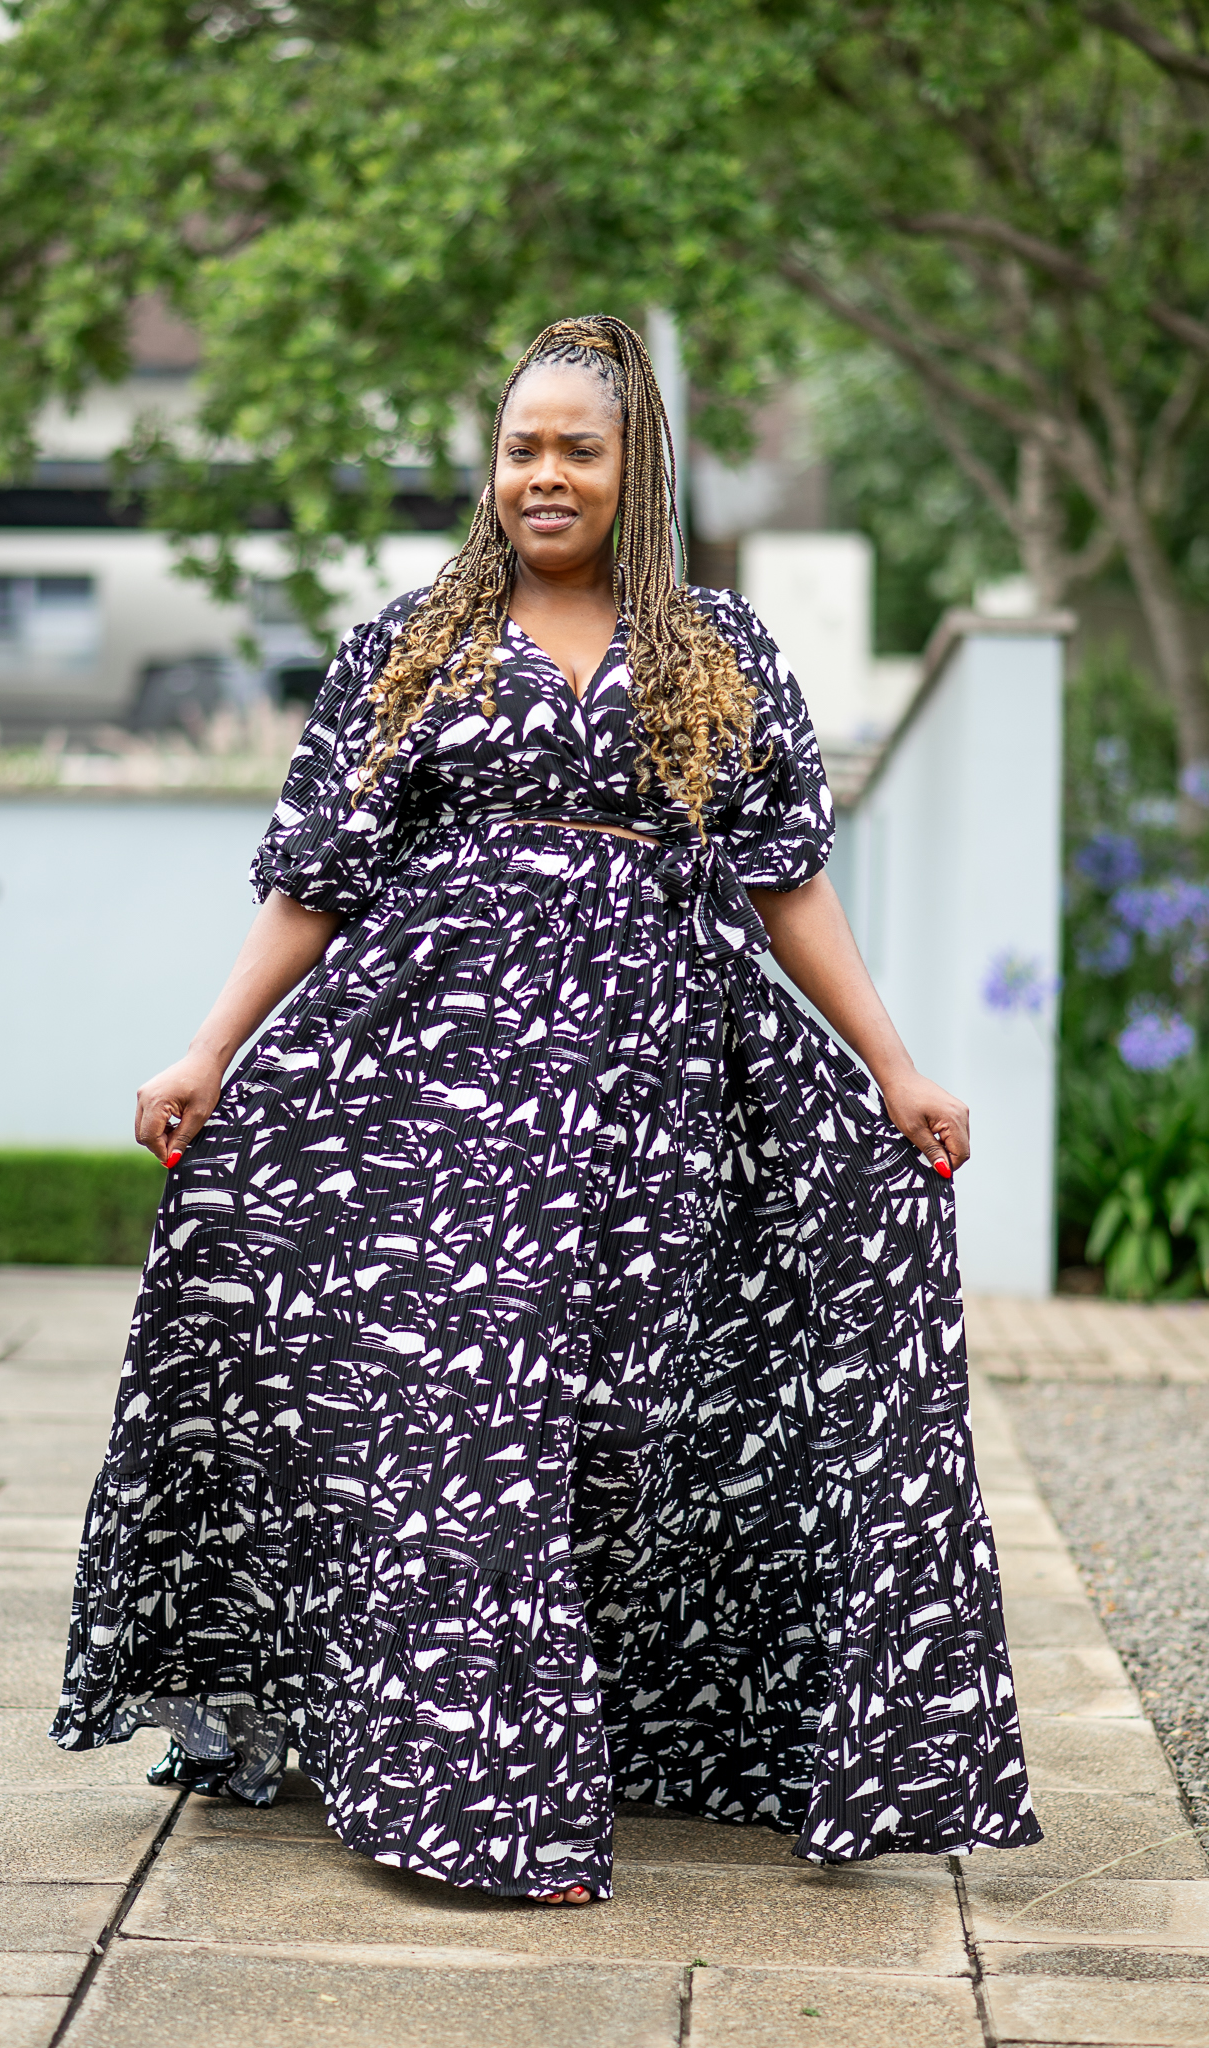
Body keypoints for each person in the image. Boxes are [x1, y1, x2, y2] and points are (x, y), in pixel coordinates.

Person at [51, 314, 1040, 1905]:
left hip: (654, 1101)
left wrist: (894, 1068)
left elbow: (786, 877)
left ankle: (615, 1734)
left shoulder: (717, 649)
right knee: (477, 1413)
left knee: (618, 1434)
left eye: (579, 446)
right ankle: (480, 1801)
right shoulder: (413, 646)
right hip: (436, 1092)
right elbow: (316, 879)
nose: (545, 474)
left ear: (638, 466)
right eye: (522, 448)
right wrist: (207, 1052)